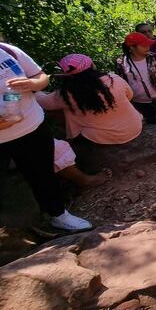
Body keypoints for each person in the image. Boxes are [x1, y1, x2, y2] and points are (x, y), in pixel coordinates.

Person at [0, 42, 92, 231]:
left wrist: (32, 84)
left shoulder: (6, 51)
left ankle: (57, 214)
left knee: (43, 174)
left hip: (33, 125)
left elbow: (41, 77)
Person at [36, 53, 142, 186]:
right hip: (134, 126)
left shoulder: (67, 94)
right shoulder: (114, 79)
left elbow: (41, 102)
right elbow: (129, 95)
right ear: (92, 65)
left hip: (103, 138)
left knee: (59, 110)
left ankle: (74, 139)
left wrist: (35, 89)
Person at [115, 32, 156, 126]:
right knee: (151, 126)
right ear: (132, 47)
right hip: (139, 102)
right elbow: (122, 82)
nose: (147, 48)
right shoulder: (122, 63)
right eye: (143, 45)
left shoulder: (153, 58)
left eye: (148, 45)